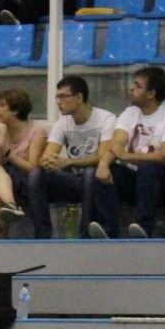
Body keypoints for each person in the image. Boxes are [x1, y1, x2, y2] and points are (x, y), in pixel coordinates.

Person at [94, 65, 165, 240]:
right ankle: (108, 228)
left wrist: (127, 156)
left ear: (151, 93)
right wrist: (103, 165)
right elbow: (117, 143)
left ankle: (144, 227)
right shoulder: (130, 113)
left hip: (159, 181)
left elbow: (163, 156)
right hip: (135, 179)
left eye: (138, 86)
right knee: (106, 171)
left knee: (149, 167)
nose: (131, 89)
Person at [28, 74, 119, 240]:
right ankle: (42, 234)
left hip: (99, 179)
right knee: (36, 174)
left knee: (90, 173)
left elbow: (102, 156)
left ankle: (85, 235)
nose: (57, 101)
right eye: (57, 97)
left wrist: (68, 162)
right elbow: (47, 155)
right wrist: (49, 162)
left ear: (79, 97)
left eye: (62, 96)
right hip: (73, 179)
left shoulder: (106, 119)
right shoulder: (63, 122)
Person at [0, 87, 45, 238]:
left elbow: (33, 168)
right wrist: (3, 133)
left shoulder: (37, 131)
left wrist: (8, 151)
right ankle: (10, 205)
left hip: (28, 182)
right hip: (5, 182)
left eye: (2, 105)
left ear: (16, 110)